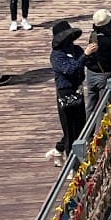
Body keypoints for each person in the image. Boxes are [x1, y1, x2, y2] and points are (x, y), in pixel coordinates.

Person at [47, 21, 87, 163]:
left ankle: (59, 150)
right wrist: (85, 56)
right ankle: (72, 164)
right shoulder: (56, 55)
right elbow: (70, 70)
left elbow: (88, 62)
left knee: (81, 126)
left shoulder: (76, 50)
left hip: (78, 89)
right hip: (65, 92)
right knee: (70, 129)